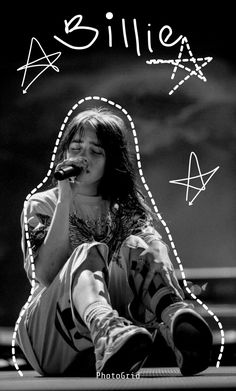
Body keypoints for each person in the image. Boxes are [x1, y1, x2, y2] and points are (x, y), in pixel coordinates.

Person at [16, 107, 213, 377]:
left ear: (111, 161)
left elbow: (150, 256)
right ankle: (106, 329)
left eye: (96, 151)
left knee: (142, 246)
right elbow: (46, 274)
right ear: (63, 155)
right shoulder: (41, 205)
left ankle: (175, 322)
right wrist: (65, 198)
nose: (83, 157)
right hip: (50, 337)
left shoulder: (126, 209)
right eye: (76, 148)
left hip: (117, 346)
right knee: (88, 252)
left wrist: (155, 248)